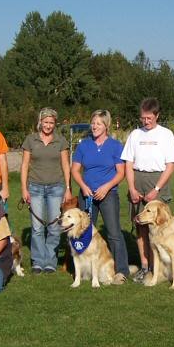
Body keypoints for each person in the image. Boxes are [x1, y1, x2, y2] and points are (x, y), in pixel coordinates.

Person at [121, 97, 174, 283]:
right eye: (143, 118)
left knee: (160, 227)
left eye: (149, 118)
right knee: (140, 227)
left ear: (157, 115)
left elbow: (171, 165)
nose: (145, 122)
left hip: (158, 180)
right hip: (137, 179)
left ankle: (159, 268)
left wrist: (156, 189)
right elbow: (128, 163)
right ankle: (145, 266)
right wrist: (131, 188)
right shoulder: (135, 135)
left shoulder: (166, 134)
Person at [71, 109, 129, 284]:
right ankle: (84, 271)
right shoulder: (84, 145)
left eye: (99, 123)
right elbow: (75, 170)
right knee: (83, 232)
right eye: (93, 123)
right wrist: (83, 186)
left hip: (108, 195)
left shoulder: (115, 146)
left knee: (113, 233)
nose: (95, 126)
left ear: (106, 126)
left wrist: (107, 187)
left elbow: (121, 173)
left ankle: (121, 271)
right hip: (87, 195)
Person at [21, 107, 73, 274]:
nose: (48, 125)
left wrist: (68, 188)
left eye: (51, 122)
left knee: (53, 226)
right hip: (34, 187)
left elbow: (66, 165)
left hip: (56, 187)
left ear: (54, 124)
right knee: (36, 227)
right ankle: (37, 261)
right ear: (40, 122)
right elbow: (24, 166)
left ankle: (50, 261)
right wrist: (24, 189)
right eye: (46, 122)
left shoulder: (61, 141)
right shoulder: (30, 140)